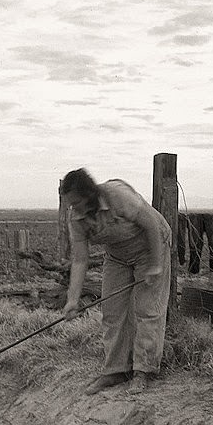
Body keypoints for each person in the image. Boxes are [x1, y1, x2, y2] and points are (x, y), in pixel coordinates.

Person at [60, 168, 172, 395]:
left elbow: (150, 224)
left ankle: (143, 371)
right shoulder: (77, 218)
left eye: (77, 202)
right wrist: (73, 300)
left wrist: (155, 265)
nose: (74, 208)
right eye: (70, 204)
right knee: (112, 311)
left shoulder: (118, 196)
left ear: (89, 193)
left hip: (150, 247)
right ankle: (116, 370)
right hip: (117, 255)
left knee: (147, 309)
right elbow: (80, 259)